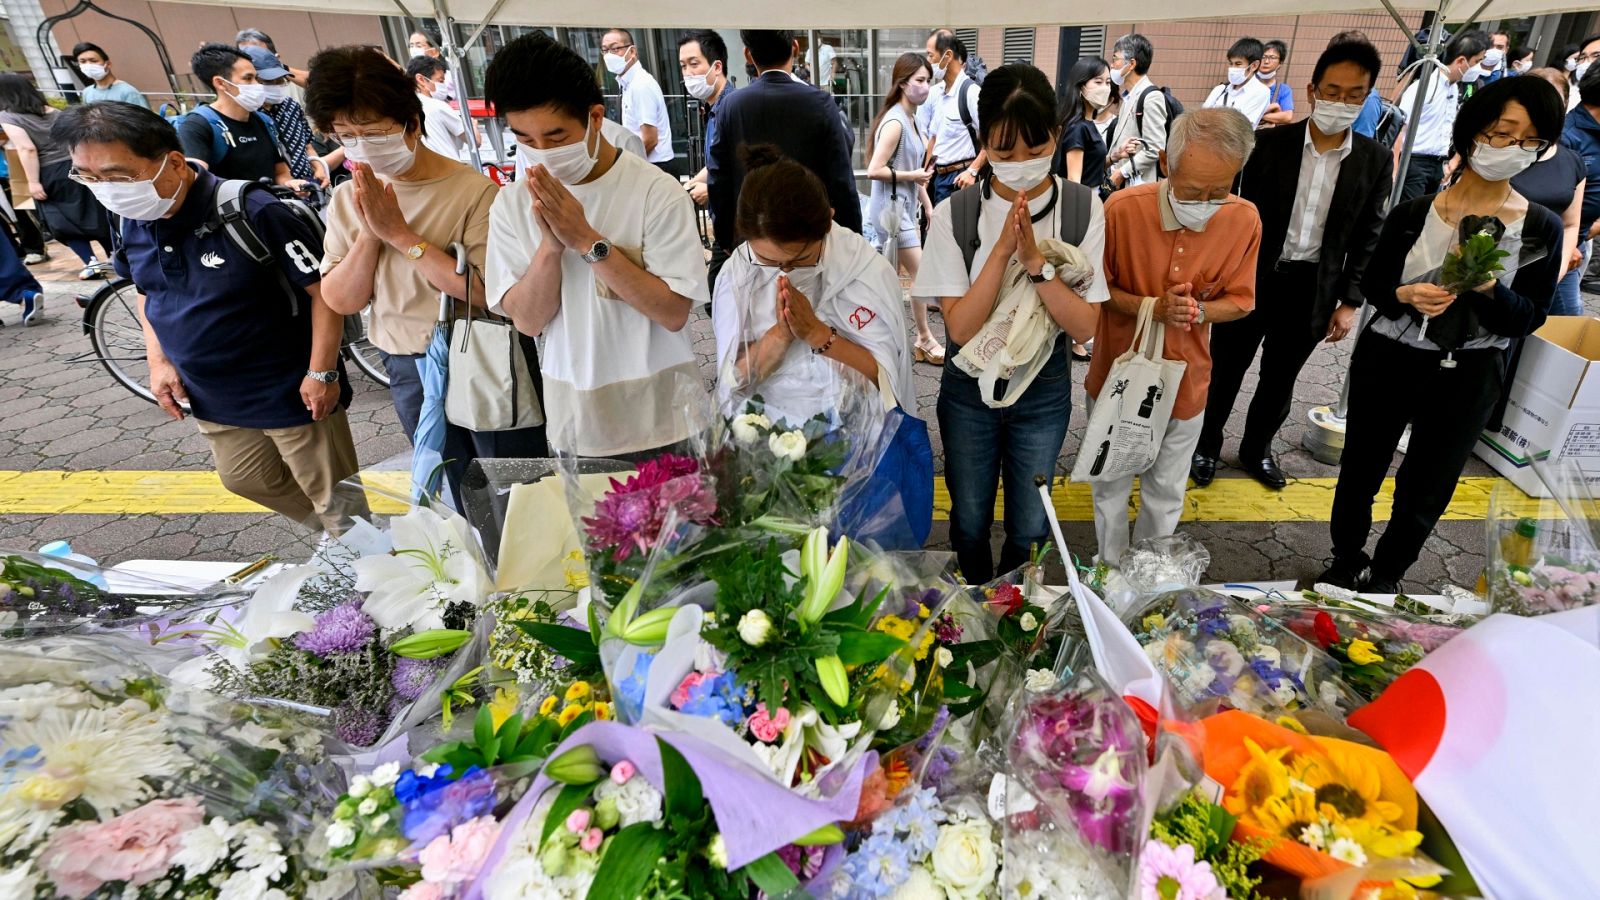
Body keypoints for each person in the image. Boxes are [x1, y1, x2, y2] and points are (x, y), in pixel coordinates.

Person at [55, 101, 363, 532]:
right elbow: (146, 290)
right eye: (88, 177)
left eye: (118, 175)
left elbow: (325, 295)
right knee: (246, 479)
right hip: (210, 394)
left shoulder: (253, 210)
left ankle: (363, 561)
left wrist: (323, 372)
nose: (106, 188)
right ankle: (355, 547)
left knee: (336, 499)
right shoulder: (131, 218)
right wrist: (158, 361)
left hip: (290, 389)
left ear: (174, 162)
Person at [1324, 77, 1565, 592]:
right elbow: (1374, 282)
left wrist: (1489, 290)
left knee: (1429, 484)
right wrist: (1406, 296)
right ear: (1474, 132)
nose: (1513, 149)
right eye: (1503, 133)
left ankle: (1387, 575)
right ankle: (1345, 558)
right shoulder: (1416, 212)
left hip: (1472, 371)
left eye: (1530, 141)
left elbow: (1530, 316)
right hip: (1391, 356)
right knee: (1362, 466)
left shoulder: (1541, 227)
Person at [310, 45, 544, 498]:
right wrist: (371, 232)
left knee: (512, 489)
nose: (361, 147)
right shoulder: (347, 199)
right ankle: (471, 566)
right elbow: (341, 299)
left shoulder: (473, 192)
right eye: (346, 135)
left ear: (412, 124)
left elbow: (486, 291)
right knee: (447, 490)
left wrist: (401, 235)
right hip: (406, 365)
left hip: (479, 358)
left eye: (373, 133)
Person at [914, 64, 1108, 582]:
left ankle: (1017, 612)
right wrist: (1002, 252)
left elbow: (1085, 327)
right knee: (970, 519)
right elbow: (958, 330)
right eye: (1003, 152)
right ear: (982, 143)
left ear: (1056, 131)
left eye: (1035, 146)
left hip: (1041, 391)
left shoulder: (1083, 209)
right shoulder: (956, 214)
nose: (1020, 163)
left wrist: (1039, 267)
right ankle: (974, 608)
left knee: (1029, 524)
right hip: (967, 391)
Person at [484, 35, 707, 460]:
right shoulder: (511, 205)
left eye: (555, 136)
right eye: (525, 140)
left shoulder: (655, 193)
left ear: (596, 117)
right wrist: (550, 248)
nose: (541, 153)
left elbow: (674, 312)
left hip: (664, 414)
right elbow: (529, 323)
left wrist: (587, 240)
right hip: (576, 417)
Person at [1196, 38, 1392, 490]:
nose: (1340, 102)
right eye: (1332, 90)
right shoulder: (1266, 144)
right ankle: (1206, 445)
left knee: (1280, 377)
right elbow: (1230, 213)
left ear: (1367, 96)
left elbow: (1369, 234)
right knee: (1225, 369)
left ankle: (1255, 449)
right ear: (1311, 90)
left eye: (1354, 94)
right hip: (1251, 279)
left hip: (1313, 286)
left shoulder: (1374, 159)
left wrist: (1351, 299)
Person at [1086, 109, 1261, 565]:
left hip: (1187, 383)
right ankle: (1109, 572)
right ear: (1165, 161)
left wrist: (1200, 310)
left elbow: (1242, 300)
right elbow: (1097, 292)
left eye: (1218, 191)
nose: (1204, 202)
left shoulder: (1244, 220)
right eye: (1192, 190)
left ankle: (1147, 580)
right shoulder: (1121, 210)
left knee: (1166, 491)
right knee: (1110, 486)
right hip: (1117, 376)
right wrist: (1152, 307)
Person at [713, 144, 913, 420]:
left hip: (853, 436)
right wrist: (780, 335)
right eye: (769, 262)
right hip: (763, 436)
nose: (784, 272)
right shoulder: (738, 275)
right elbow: (732, 382)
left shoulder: (865, 271)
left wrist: (816, 332)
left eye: (799, 260)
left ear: (828, 222)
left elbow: (887, 382)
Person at [708, 30, 860, 267]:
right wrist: (852, 237)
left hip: (754, 241)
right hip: (808, 239)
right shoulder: (820, 103)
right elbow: (841, 179)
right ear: (796, 49)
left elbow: (718, 177)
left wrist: (726, 236)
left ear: (748, 55)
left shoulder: (731, 105)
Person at [866, 52, 944, 366]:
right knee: (922, 276)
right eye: (920, 81)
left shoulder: (910, 117)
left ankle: (908, 338)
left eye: (928, 80)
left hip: (903, 211)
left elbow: (914, 172)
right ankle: (922, 338)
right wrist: (914, 178)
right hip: (891, 214)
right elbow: (874, 169)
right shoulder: (897, 121)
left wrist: (927, 204)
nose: (926, 87)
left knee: (894, 278)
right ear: (902, 83)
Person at [0, 73, 113, 281]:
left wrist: (32, 182)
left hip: (47, 172)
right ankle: (114, 256)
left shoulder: (8, 117)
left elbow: (27, 148)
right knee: (94, 214)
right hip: (76, 166)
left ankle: (91, 262)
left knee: (60, 222)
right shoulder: (55, 111)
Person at [179, 43, 309, 194]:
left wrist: (291, 184)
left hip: (271, 210)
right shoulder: (197, 125)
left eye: (257, 78)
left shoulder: (264, 121)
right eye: (248, 78)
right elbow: (194, 181)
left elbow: (280, 173)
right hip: (230, 214)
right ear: (221, 83)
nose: (257, 85)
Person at [1393, 29, 1490, 202]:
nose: (1478, 68)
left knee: (1425, 215)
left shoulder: (1454, 88)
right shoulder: (1423, 88)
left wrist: (1453, 161)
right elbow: (1400, 129)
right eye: (1476, 61)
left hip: (1438, 163)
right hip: (1414, 162)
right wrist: (1394, 170)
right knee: (1409, 218)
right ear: (1461, 60)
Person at [678, 29, 736, 291]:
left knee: (716, 292)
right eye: (683, 66)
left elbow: (743, 168)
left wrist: (710, 189)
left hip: (736, 223)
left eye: (694, 64)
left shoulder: (732, 108)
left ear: (717, 66)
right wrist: (691, 184)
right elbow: (717, 163)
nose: (688, 73)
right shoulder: (713, 108)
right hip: (723, 220)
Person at [243, 46, 329, 190]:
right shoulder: (248, 114)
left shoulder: (291, 106)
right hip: (274, 191)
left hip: (308, 185)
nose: (276, 86)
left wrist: (319, 167)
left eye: (279, 80)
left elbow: (307, 146)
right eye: (268, 81)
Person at [920, 29, 987, 207]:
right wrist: (926, 176)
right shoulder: (939, 93)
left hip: (959, 179)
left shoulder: (972, 93)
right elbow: (934, 140)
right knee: (934, 231)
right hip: (937, 177)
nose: (928, 62)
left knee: (955, 233)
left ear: (947, 55)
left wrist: (972, 171)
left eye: (930, 56)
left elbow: (993, 137)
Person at [601, 29, 676, 176]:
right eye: (605, 50)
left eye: (615, 49)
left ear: (632, 51)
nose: (609, 55)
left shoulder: (641, 85)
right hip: (645, 163)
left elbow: (650, 139)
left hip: (655, 166)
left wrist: (625, 167)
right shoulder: (628, 84)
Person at [1560, 37, 1600, 316]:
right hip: (1559, 248)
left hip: (1580, 241)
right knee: (1567, 319)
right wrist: (1567, 241)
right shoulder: (1567, 136)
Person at [1105, 33, 1169, 189]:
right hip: (1120, 184)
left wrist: (1122, 173)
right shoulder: (1129, 96)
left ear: (1131, 64)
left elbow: (1154, 148)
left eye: (1115, 59)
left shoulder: (1151, 97)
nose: (1112, 65)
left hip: (1136, 187)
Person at [409, 55, 473, 161]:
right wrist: (472, 124)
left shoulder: (403, 108)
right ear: (421, 79)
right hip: (449, 169)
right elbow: (473, 140)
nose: (443, 86)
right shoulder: (437, 106)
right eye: (440, 81)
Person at [1203, 38, 1273, 129]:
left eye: (1238, 64)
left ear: (1254, 65)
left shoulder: (1261, 92)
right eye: (1231, 64)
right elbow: (1201, 118)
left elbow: (1241, 126)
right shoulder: (1220, 90)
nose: (1232, 68)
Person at [73, 43, 148, 109]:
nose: (88, 65)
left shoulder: (127, 92)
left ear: (108, 64)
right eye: (83, 62)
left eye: (93, 61)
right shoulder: (87, 92)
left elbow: (145, 121)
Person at [237, 28, 310, 88]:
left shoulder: (295, 83)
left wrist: (281, 68)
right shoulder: (240, 89)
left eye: (261, 55)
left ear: (277, 57)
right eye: (247, 56)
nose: (254, 61)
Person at [407, 30, 459, 102]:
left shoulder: (449, 77)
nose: (414, 49)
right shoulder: (410, 75)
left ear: (435, 51)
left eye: (419, 46)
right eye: (411, 46)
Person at [1258, 40, 1295, 126]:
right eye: (1263, 57)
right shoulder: (1248, 84)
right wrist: (1273, 112)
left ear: (1280, 63)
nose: (1266, 61)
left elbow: (1287, 117)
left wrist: (1258, 115)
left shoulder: (1283, 89)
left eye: (1272, 57)